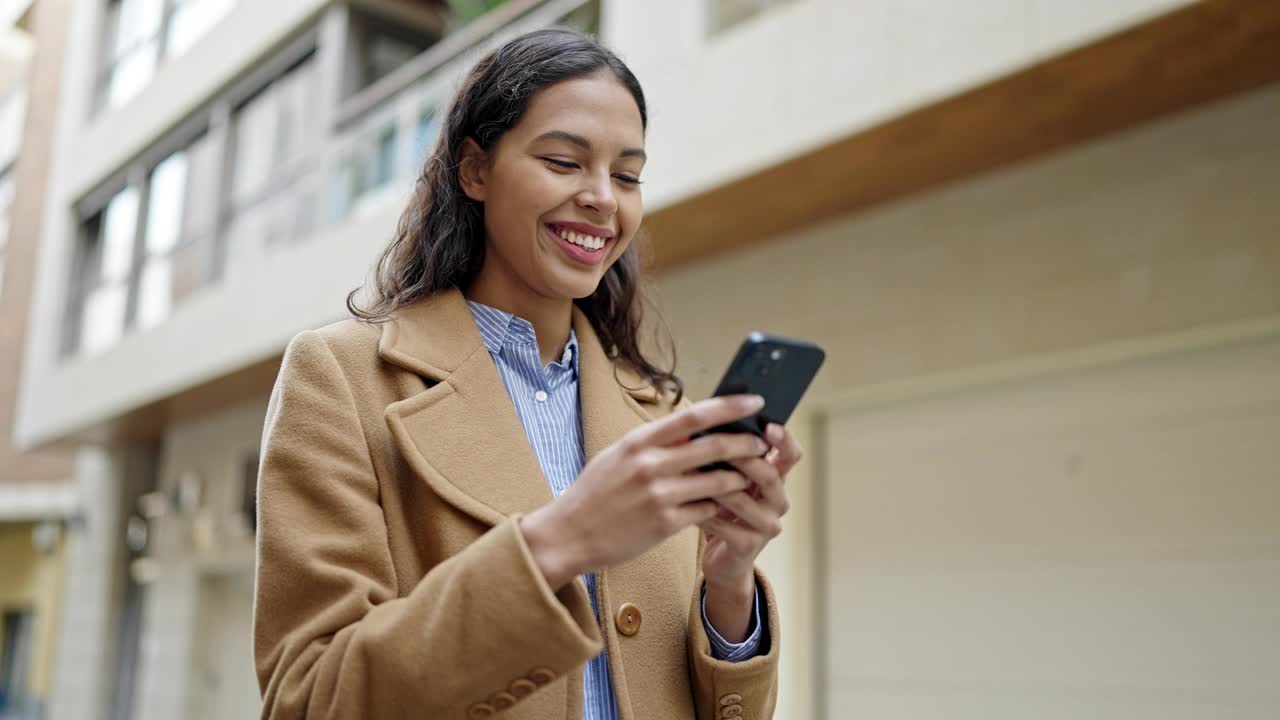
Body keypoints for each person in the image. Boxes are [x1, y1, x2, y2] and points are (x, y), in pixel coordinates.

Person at [253, 28, 803, 720]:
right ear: (474, 170)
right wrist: (560, 541)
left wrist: (729, 585)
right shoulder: (339, 379)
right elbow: (309, 699)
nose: (604, 198)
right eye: (564, 161)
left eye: (628, 175)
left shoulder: (662, 412)